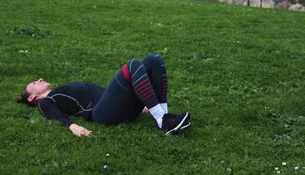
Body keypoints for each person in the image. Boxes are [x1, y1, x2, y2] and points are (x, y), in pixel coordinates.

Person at [17, 54, 191, 136]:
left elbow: (103, 93)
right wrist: (72, 126)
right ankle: (163, 121)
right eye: (34, 84)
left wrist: (144, 103)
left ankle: (164, 114)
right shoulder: (46, 101)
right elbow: (52, 113)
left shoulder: (59, 91)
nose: (38, 79)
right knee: (133, 65)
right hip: (101, 114)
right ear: (32, 98)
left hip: (114, 106)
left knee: (153, 60)